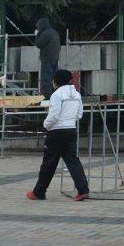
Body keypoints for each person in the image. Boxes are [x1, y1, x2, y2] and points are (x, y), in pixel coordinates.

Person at [27, 68, 89, 201]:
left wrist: (46, 125)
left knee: (48, 163)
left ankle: (39, 191)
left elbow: (53, 115)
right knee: (73, 161)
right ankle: (83, 189)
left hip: (56, 132)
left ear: (55, 82)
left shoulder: (57, 95)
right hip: (71, 130)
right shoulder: (77, 95)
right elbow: (79, 114)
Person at [33, 17, 61, 97]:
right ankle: (55, 95)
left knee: (46, 79)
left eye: (38, 27)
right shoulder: (54, 32)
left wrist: (37, 35)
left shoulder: (46, 34)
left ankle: (47, 97)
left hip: (47, 59)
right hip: (55, 59)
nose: (38, 28)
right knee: (54, 79)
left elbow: (38, 44)